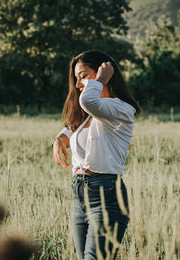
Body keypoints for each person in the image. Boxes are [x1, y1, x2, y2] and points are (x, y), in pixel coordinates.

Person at [52, 50, 140, 260]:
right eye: (76, 78)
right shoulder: (90, 115)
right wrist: (58, 140)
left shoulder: (121, 108)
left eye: (83, 75)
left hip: (106, 196)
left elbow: (89, 101)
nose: (79, 83)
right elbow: (72, 129)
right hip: (80, 197)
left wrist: (100, 79)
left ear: (105, 73)